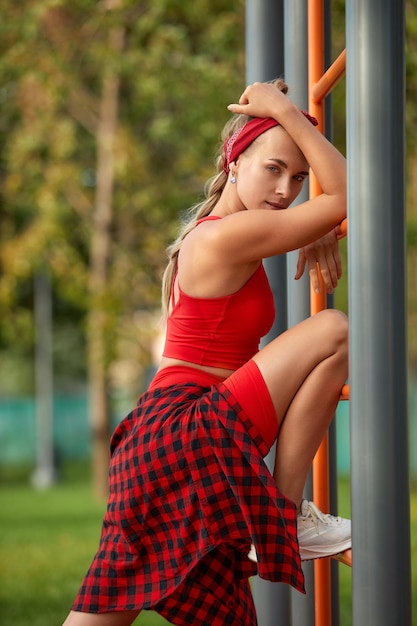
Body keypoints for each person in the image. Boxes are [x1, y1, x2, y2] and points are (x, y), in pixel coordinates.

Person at [63, 78, 350, 626]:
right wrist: (286, 113)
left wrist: (311, 224)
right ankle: (285, 517)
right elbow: (345, 194)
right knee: (333, 329)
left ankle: (281, 519)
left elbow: (327, 203)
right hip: (188, 428)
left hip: (159, 441)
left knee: (103, 611)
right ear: (235, 162)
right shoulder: (224, 237)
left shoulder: (215, 229)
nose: (286, 190)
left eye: (298, 178)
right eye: (273, 169)